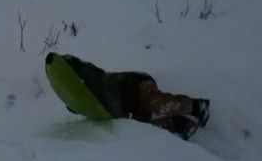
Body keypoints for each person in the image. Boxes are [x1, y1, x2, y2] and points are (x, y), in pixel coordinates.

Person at [45, 52, 210, 140]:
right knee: (145, 126)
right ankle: (179, 124)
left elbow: (81, 67)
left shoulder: (92, 78)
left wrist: (64, 63)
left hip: (137, 85)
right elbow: (75, 103)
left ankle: (197, 107)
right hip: (128, 109)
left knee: (155, 105)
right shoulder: (90, 100)